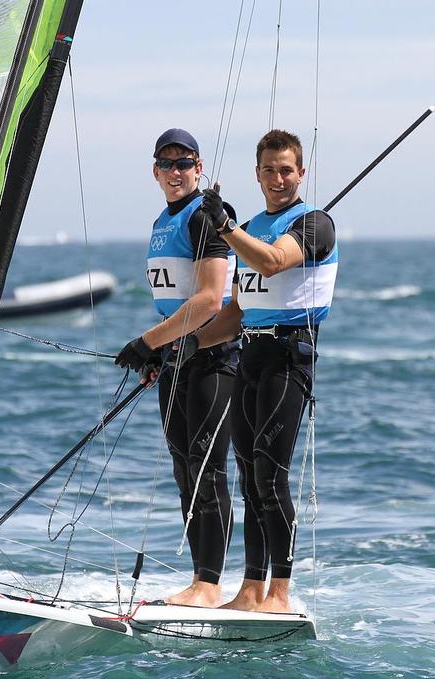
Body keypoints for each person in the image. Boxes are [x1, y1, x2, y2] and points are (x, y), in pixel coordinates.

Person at [180, 129, 337, 613]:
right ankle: (250, 591)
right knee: (250, 479)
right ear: (257, 174)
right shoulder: (250, 226)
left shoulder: (315, 224)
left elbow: (272, 263)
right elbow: (234, 312)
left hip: (289, 358)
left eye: (286, 169)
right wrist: (178, 349)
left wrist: (226, 229)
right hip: (249, 356)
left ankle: (281, 595)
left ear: (301, 173)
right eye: (269, 170)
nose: (277, 178)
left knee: (272, 476)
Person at [114, 128, 238, 608]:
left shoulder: (206, 217)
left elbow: (210, 299)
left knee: (207, 467)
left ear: (198, 167)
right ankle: (199, 580)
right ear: (154, 171)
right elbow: (174, 302)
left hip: (214, 356)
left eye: (184, 163)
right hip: (177, 358)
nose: (175, 172)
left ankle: (209, 585)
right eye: (166, 164)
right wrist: (160, 352)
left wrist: (148, 343)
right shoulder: (161, 222)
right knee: (184, 468)